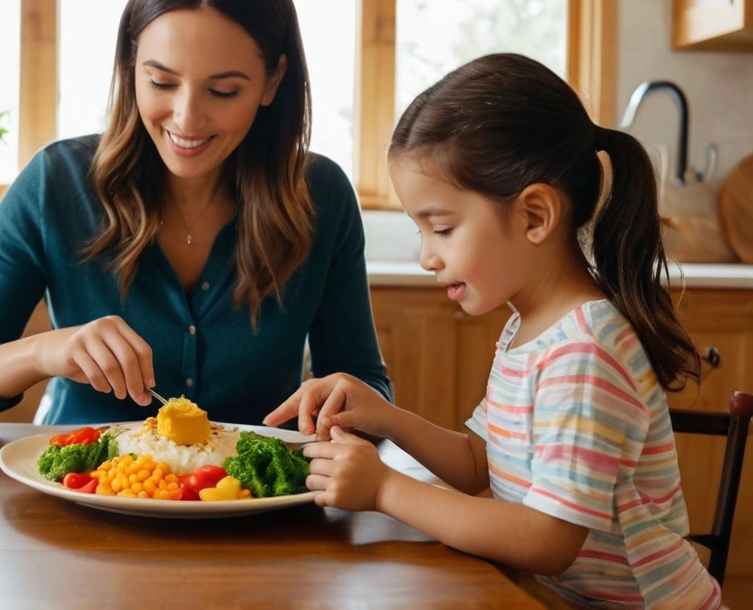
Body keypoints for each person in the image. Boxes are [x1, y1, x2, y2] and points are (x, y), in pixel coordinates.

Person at [266, 53, 721, 608]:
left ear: (534, 216)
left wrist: (386, 489)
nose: (427, 256)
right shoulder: (528, 329)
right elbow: (483, 465)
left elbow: (547, 539)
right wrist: (384, 416)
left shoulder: (583, 350)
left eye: (442, 228)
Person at [0, 0, 391, 427]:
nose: (186, 119)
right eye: (161, 82)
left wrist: (343, 405)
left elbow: (366, 384)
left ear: (273, 81)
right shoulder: (54, 184)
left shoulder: (322, 196)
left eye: (223, 91)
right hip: (82, 495)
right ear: (130, 64)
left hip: (264, 502)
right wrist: (43, 352)